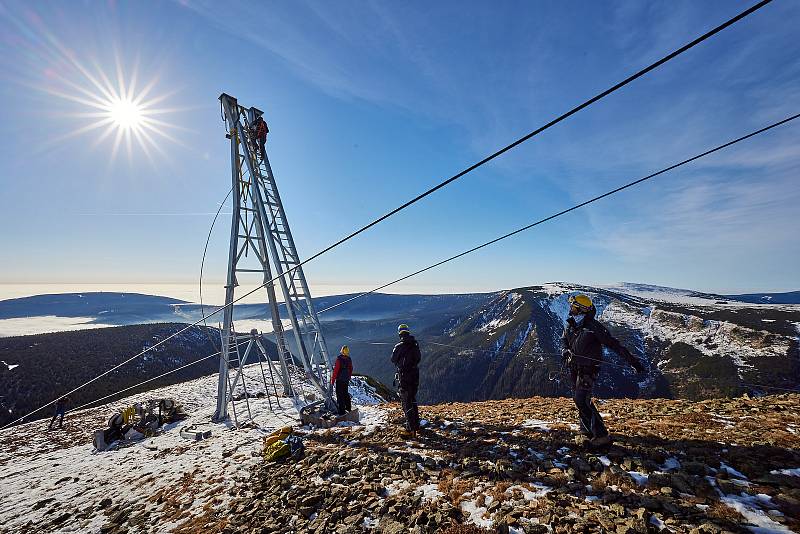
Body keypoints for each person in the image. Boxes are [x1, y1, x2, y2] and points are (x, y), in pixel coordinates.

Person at [561, 294, 644, 447]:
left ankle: (601, 435)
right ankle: (586, 431)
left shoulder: (594, 327)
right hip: (574, 367)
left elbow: (614, 344)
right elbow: (564, 339)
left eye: (573, 307)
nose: (570, 309)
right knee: (580, 401)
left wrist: (633, 362)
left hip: (589, 369)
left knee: (581, 400)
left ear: (581, 310)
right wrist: (565, 349)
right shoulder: (571, 324)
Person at [391, 324, 421, 438]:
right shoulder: (415, 344)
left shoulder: (399, 346)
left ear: (400, 334)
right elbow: (418, 358)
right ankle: (416, 424)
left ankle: (410, 429)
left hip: (404, 376)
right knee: (412, 399)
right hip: (415, 374)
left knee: (406, 402)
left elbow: (393, 359)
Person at [331, 345, 353, 416]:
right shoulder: (349, 359)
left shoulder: (339, 359)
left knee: (340, 395)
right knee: (345, 393)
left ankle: (342, 411)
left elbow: (336, 371)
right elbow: (351, 369)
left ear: (342, 351)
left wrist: (333, 380)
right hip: (346, 379)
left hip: (340, 380)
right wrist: (348, 377)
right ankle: (348, 408)